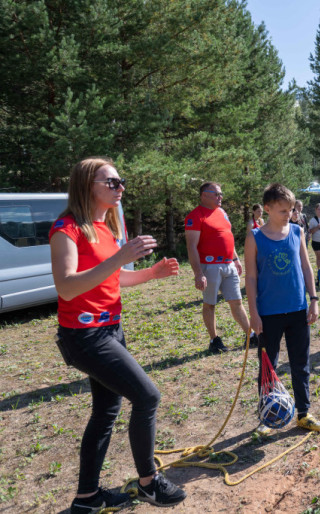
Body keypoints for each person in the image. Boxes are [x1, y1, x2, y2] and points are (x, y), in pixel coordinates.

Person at [50, 157, 186, 513]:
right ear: (87, 186)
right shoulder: (66, 229)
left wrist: (150, 274)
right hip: (85, 336)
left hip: (109, 330)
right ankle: (148, 483)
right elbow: (66, 287)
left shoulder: (103, 227)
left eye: (120, 181)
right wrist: (121, 256)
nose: (120, 187)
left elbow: (113, 277)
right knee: (147, 397)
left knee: (105, 413)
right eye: (111, 181)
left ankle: (87, 499)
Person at [244, 183, 320, 436]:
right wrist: (254, 314)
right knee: (268, 366)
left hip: (297, 309)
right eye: (282, 210)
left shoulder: (297, 231)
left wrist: (314, 299)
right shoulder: (254, 236)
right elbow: (250, 278)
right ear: (267, 209)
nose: (289, 214)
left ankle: (303, 414)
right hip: (268, 313)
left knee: (301, 363)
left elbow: (306, 267)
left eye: (291, 209)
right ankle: (268, 416)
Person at [185, 182, 256, 353]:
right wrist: (198, 273)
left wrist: (236, 259)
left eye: (221, 194)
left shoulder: (222, 212)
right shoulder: (195, 216)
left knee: (237, 301)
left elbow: (227, 237)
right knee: (210, 304)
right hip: (209, 266)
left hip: (228, 264)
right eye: (217, 194)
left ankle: (251, 335)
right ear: (204, 195)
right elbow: (191, 247)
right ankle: (214, 340)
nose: (220, 197)